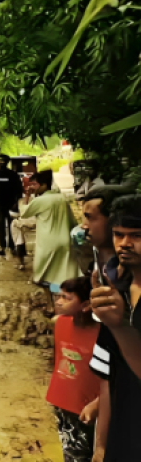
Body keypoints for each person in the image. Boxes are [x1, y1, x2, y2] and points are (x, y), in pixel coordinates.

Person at [88, 194, 141, 462]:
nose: (125, 244)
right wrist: (101, 445)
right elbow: (108, 376)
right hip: (123, 438)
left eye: (136, 236)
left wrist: (120, 326)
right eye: (119, 235)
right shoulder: (115, 289)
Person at [45, 275, 100, 462]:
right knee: (70, 450)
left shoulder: (103, 334)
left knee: (87, 453)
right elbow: (57, 357)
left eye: (67, 298)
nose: (59, 302)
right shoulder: (59, 323)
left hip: (88, 407)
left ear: (85, 305)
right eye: (59, 296)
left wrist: (98, 403)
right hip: (62, 401)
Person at [21, 171, 82, 306]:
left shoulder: (40, 200)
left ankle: (51, 304)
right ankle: (68, 304)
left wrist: (27, 196)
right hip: (66, 241)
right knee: (65, 274)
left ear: (44, 185)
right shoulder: (63, 198)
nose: (33, 187)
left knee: (43, 275)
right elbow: (73, 221)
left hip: (47, 243)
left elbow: (24, 213)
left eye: (35, 184)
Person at [0, 154, 24, 258]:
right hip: (6, 204)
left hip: (5, 205)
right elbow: (19, 191)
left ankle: (6, 247)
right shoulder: (12, 175)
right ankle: (8, 247)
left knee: (3, 226)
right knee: (6, 226)